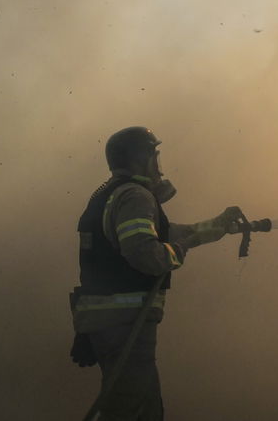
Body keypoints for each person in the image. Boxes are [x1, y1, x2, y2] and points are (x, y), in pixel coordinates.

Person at [71, 126, 246, 421]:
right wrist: (182, 248)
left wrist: (216, 225)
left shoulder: (114, 195)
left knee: (146, 408)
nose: (158, 165)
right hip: (126, 323)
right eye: (153, 156)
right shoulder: (136, 196)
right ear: (139, 159)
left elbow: (165, 234)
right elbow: (145, 254)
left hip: (108, 321)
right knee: (128, 409)